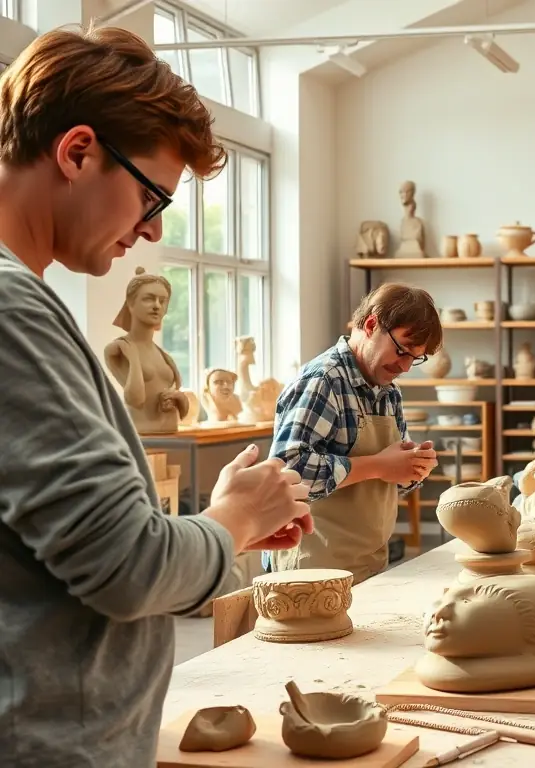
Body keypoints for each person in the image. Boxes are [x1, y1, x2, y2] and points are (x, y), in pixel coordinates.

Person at [0, 25, 313, 768]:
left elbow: (79, 548)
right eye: (152, 196)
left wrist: (217, 522)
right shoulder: (11, 311)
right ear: (78, 151)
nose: (150, 231)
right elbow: (128, 567)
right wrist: (233, 521)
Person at [267, 282, 442, 582]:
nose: (406, 366)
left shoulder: (388, 392)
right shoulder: (324, 380)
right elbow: (287, 470)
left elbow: (387, 483)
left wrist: (411, 469)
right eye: (402, 350)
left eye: (416, 358)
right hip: (313, 565)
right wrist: (378, 466)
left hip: (368, 560)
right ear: (372, 324)